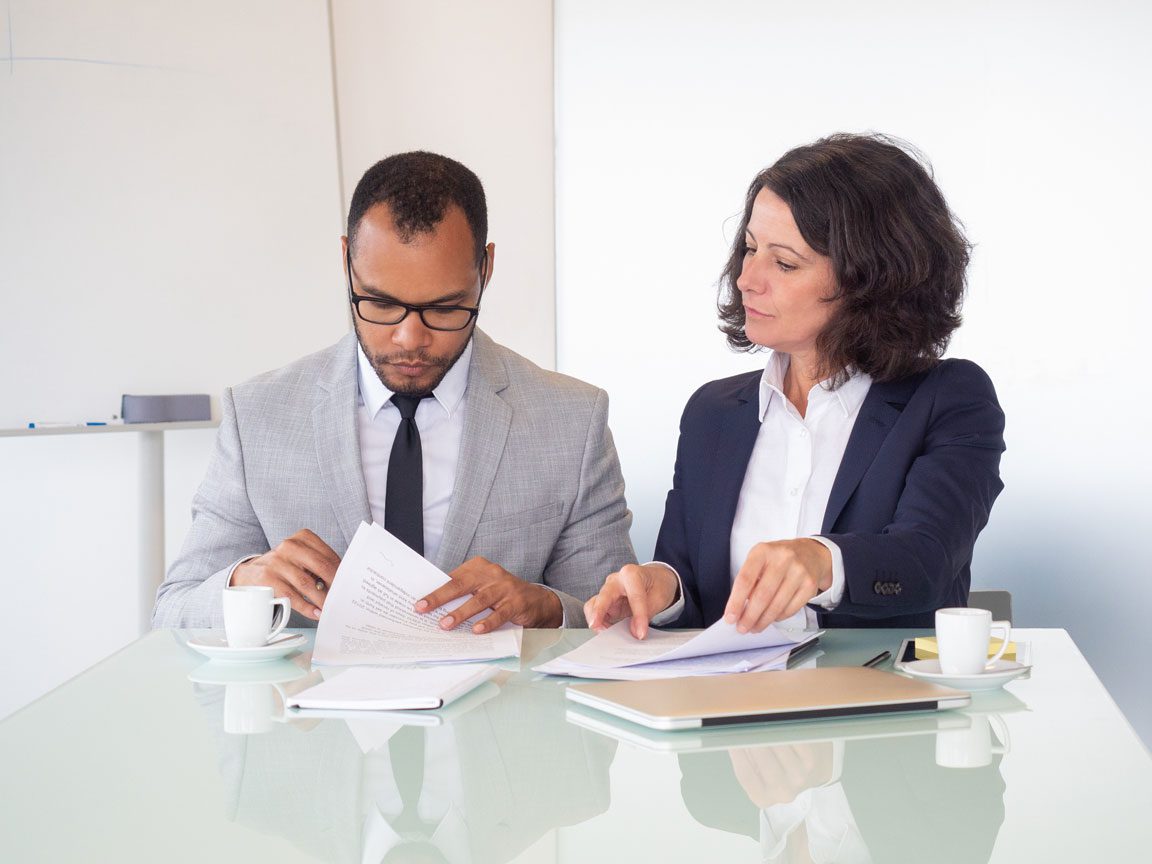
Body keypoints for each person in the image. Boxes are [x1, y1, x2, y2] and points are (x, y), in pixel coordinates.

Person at [154, 151, 634, 631]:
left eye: (445, 308)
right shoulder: (257, 416)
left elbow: (613, 622)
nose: (410, 339)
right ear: (346, 261)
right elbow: (173, 613)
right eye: (381, 303)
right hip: (315, 706)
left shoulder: (573, 420)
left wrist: (548, 608)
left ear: (485, 270)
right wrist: (243, 582)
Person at [586, 133, 1005, 636]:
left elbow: (927, 561)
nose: (746, 279)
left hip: (875, 706)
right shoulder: (713, 412)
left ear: (871, 279)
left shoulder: (949, 398)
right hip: (732, 702)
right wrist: (662, 587)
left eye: (784, 263)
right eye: (749, 248)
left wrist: (821, 560)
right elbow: (695, 590)